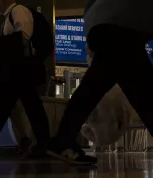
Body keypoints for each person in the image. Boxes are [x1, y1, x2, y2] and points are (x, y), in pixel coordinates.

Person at [47, 0, 153, 164]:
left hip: (102, 23)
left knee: (94, 88)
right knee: (143, 91)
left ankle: (62, 141)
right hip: (125, 25)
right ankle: (62, 141)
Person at [0, 0, 50, 158]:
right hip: (17, 70)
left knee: (14, 107)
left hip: (20, 69)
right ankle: (42, 142)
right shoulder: (9, 16)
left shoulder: (18, 10)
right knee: (25, 107)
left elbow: (24, 35)